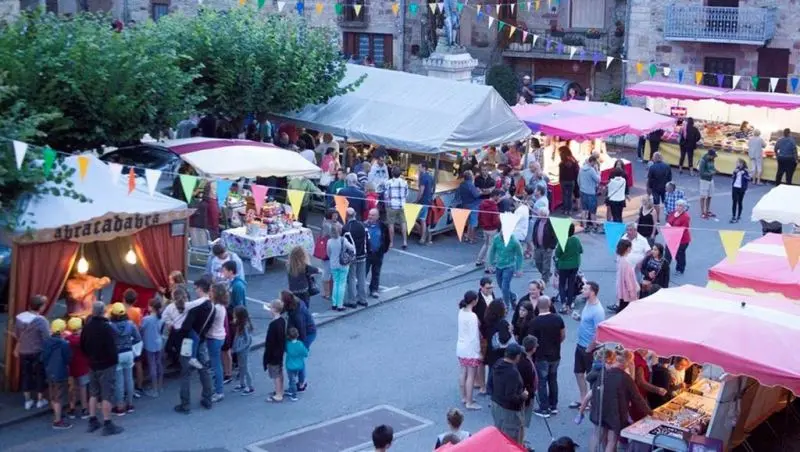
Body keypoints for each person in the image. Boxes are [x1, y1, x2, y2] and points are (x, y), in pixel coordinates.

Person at [588, 352, 651, 452]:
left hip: (599, 408)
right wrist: (650, 413)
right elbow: (637, 398)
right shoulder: (625, 377)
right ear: (628, 362)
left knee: (596, 436)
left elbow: (593, 388)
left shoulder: (604, 372)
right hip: (615, 413)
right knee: (612, 440)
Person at [81, 302, 124, 435]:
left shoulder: (87, 327)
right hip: (106, 365)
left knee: (93, 393)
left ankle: (92, 419)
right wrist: (114, 361)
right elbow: (112, 348)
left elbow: (83, 345)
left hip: (93, 364)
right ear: (103, 311)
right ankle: (107, 423)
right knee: (106, 394)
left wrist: (90, 357)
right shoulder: (106, 328)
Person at [175, 279, 216, 414]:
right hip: (201, 340)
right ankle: (207, 398)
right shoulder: (212, 307)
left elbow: (186, 326)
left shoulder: (195, 307)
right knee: (203, 369)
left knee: (185, 373)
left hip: (188, 342)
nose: (195, 291)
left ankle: (185, 404)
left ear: (200, 289)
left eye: (196, 288)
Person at [568, 281, 604, 410]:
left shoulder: (598, 310)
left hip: (590, 348)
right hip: (580, 344)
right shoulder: (586, 303)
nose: (582, 290)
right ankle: (583, 399)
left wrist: (590, 348)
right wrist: (578, 318)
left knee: (591, 376)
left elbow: (599, 332)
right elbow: (585, 320)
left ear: (592, 292)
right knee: (578, 373)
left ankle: (592, 401)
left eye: (585, 289)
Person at [529, 296, 565, 417]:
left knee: (542, 382)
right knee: (553, 379)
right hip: (555, 355)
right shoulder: (558, 319)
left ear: (538, 306)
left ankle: (544, 408)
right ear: (549, 305)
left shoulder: (534, 322)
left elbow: (531, 341)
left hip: (541, 356)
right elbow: (562, 335)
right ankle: (553, 405)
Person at [15, 294, 50, 410]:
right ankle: (40, 400)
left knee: (26, 374)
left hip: (23, 351)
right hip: (37, 351)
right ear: (41, 307)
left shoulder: (19, 317)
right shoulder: (41, 320)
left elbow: (17, 335)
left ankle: (28, 400)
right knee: (40, 374)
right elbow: (47, 337)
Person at [490, 343, 528, 445]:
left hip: (496, 405)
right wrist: (523, 396)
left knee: (499, 433)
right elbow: (511, 397)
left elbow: (490, 383)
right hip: (509, 411)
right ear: (517, 356)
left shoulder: (498, 363)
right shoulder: (512, 373)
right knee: (511, 439)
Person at [109, 302, 141, 416]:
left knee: (119, 381)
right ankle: (130, 404)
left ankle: (120, 407)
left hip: (117, 354)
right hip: (128, 353)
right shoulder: (130, 324)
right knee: (129, 379)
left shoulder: (110, 326)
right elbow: (138, 338)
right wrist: (129, 344)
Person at [43, 319, 72, 430]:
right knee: (59, 396)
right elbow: (68, 358)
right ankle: (58, 420)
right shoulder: (64, 344)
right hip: (60, 372)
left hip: (49, 371)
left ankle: (56, 414)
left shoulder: (46, 341)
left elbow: (43, 357)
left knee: (53, 394)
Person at [456, 291, 482, 410]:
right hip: (470, 348)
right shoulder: (472, 316)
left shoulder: (461, 312)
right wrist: (479, 351)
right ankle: (469, 402)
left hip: (460, 347)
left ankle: (464, 397)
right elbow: (474, 337)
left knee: (463, 372)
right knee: (471, 375)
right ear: (473, 301)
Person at [487, 232, 524, 312]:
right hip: (499, 265)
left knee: (504, 286)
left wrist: (519, 268)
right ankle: (513, 296)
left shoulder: (514, 241)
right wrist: (490, 264)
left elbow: (519, 255)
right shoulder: (496, 238)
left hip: (509, 266)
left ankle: (505, 306)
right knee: (501, 286)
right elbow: (492, 251)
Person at [484, 299, 512, 395]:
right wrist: (510, 332)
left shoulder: (488, 320)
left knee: (492, 369)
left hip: (491, 350)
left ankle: (489, 388)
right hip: (500, 352)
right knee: (499, 372)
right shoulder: (502, 323)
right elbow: (504, 339)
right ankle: (495, 392)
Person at [207, 283, 229, 403]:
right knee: (216, 364)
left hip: (214, 337)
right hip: (220, 336)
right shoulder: (221, 306)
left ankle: (219, 391)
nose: (209, 293)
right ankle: (217, 388)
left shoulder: (215, 308)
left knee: (216, 365)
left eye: (211, 291)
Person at [631, 349, 666, 422]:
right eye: (645, 350)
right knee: (637, 418)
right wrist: (657, 389)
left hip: (637, 393)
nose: (647, 352)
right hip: (637, 393)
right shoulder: (638, 362)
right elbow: (640, 382)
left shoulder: (635, 357)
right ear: (640, 349)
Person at [343, 208, 369, 308]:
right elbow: (367, 239)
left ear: (346, 216)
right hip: (362, 254)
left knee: (351, 278)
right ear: (355, 214)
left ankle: (352, 300)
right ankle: (363, 299)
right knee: (362, 278)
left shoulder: (346, 228)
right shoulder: (362, 225)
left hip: (352, 256)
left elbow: (345, 244)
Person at [65, 318, 89, 419]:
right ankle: (84, 409)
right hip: (83, 367)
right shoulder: (83, 339)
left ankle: (72, 408)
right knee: (83, 388)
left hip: (71, 367)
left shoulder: (67, 340)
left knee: (72, 388)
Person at [555, 223, 582, 313]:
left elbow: (557, 254)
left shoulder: (562, 241)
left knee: (562, 284)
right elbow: (581, 250)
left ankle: (563, 303)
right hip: (574, 265)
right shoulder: (576, 240)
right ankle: (569, 304)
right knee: (571, 284)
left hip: (563, 266)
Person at [264, 299, 287, 402]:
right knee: (279, 372)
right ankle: (280, 390)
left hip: (274, 353)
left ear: (274, 310)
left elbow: (270, 342)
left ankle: (278, 394)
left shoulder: (273, 324)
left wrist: (267, 356)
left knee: (275, 374)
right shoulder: (282, 321)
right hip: (279, 352)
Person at [140, 298, 164, 397]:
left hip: (150, 344)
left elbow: (141, 329)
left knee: (152, 365)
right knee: (159, 364)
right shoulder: (161, 318)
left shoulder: (147, 319)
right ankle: (159, 386)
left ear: (152, 307)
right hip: (159, 343)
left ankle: (154, 389)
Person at [517, 335, 539, 446]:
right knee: (522, 421)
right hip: (526, 395)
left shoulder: (523, 357)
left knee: (522, 422)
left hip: (526, 393)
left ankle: (522, 440)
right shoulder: (525, 362)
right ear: (533, 348)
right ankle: (520, 443)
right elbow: (528, 380)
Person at [365, 208, 391, 298]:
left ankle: (374, 290)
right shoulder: (364, 225)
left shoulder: (383, 226)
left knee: (376, 273)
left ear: (378, 216)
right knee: (363, 272)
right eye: (369, 214)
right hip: (367, 254)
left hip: (378, 253)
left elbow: (387, 239)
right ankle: (359, 290)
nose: (370, 217)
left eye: (373, 215)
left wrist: (384, 250)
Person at [609, 239, 640, 313]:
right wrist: (631, 291)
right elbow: (627, 280)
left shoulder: (619, 258)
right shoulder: (626, 262)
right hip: (626, 291)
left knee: (622, 306)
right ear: (628, 248)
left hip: (621, 288)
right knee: (625, 310)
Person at [327, 222, 352, 312]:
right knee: (342, 284)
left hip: (333, 264)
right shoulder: (343, 240)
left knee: (336, 283)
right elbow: (352, 248)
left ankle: (334, 303)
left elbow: (328, 253)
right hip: (343, 264)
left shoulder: (329, 241)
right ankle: (340, 305)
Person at [231, 306, 254, 395]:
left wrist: (238, 348)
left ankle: (250, 386)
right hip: (240, 349)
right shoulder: (241, 323)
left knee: (245, 367)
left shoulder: (244, 326)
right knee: (241, 366)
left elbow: (247, 340)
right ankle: (242, 383)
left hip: (243, 350)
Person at [385, 167, 409, 249]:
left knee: (391, 224)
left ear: (392, 173)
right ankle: (405, 241)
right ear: (400, 174)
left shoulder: (388, 183)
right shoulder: (405, 182)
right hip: (402, 205)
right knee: (403, 223)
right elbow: (406, 194)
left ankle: (391, 242)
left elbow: (386, 195)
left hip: (392, 205)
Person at [476, 189, 502, 267]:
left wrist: (482, 224)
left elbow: (479, 216)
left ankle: (479, 260)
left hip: (485, 228)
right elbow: (495, 221)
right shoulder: (494, 207)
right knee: (491, 247)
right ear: (495, 196)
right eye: (499, 196)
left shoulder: (482, 204)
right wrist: (499, 225)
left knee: (486, 244)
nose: (499, 198)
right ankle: (488, 266)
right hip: (492, 229)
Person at [531, 206, 557, 284]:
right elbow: (534, 232)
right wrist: (534, 243)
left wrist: (551, 246)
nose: (541, 216)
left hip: (547, 247)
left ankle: (544, 280)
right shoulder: (538, 222)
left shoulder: (551, 223)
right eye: (540, 214)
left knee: (546, 265)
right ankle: (546, 274)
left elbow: (555, 236)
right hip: (538, 246)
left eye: (543, 214)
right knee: (538, 263)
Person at [666, 199, 692, 275]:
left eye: (680, 205)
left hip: (682, 240)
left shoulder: (686, 217)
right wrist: (668, 226)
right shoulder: (673, 213)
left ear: (684, 207)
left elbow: (683, 229)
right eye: (677, 205)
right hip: (671, 238)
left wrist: (672, 229)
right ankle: (665, 268)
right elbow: (669, 221)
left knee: (679, 255)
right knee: (667, 254)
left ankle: (680, 269)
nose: (678, 207)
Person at [284, 327, 309, 402]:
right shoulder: (300, 344)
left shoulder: (287, 344)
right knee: (294, 379)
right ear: (297, 335)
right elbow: (305, 354)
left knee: (292, 380)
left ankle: (293, 393)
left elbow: (286, 351)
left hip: (290, 365)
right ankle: (292, 391)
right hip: (299, 365)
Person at [458, 170, 483, 243]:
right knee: (473, 223)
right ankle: (471, 238)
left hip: (465, 204)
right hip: (473, 205)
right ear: (470, 177)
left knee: (469, 222)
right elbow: (476, 195)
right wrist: (480, 192)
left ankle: (467, 237)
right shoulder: (470, 185)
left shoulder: (462, 184)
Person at [646, 152, 672, 223]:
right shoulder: (667, 166)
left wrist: (649, 189)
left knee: (656, 203)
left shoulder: (652, 167)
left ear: (655, 158)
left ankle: (657, 219)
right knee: (666, 203)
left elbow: (650, 179)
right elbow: (670, 178)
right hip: (665, 188)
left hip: (655, 188)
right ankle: (668, 217)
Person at [578, 155, 601, 232]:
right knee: (592, 211)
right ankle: (594, 226)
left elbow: (578, 180)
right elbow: (598, 180)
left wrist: (582, 187)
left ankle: (584, 226)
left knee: (584, 210)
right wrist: (598, 172)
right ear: (593, 162)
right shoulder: (591, 170)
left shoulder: (581, 169)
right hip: (591, 193)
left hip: (582, 191)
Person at [416, 161, 435, 245]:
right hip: (428, 200)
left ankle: (423, 237)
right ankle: (425, 236)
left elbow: (421, 190)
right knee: (424, 220)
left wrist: (417, 200)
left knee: (422, 220)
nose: (418, 169)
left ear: (424, 167)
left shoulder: (423, 177)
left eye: (419, 167)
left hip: (423, 201)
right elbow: (432, 189)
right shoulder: (430, 176)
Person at [558, 147, 580, 215]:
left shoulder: (561, 164)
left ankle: (565, 210)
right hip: (571, 181)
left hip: (563, 181)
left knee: (564, 195)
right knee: (570, 196)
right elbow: (576, 171)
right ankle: (569, 210)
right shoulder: (573, 162)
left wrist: (560, 180)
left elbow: (560, 174)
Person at [698, 149, 718, 219]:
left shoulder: (712, 159)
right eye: (713, 156)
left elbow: (712, 167)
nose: (714, 158)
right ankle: (702, 212)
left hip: (710, 179)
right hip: (704, 180)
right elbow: (701, 173)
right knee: (703, 196)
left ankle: (707, 210)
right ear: (710, 155)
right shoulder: (703, 161)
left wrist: (715, 170)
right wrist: (710, 173)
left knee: (710, 196)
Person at [731, 158, 751, 223]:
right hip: (735, 187)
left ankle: (739, 215)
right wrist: (734, 172)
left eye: (738, 163)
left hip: (742, 188)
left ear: (741, 164)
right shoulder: (736, 169)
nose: (737, 164)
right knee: (734, 201)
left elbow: (749, 178)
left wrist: (744, 175)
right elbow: (733, 176)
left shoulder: (746, 170)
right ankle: (733, 216)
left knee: (740, 202)